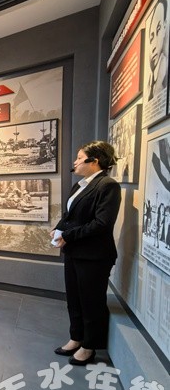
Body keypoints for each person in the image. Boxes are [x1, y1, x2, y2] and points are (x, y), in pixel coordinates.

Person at [51, 141, 121, 365]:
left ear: (94, 161)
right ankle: (76, 337)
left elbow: (102, 223)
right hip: (74, 251)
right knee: (74, 298)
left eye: (80, 158)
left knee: (91, 301)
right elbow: (69, 215)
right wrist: (58, 229)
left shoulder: (108, 185)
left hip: (94, 255)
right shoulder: (79, 186)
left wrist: (68, 235)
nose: (75, 162)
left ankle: (89, 346)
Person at [147, 0, 168, 101]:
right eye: (151, 38)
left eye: (158, 29)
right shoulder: (149, 83)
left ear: (164, 27)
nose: (154, 46)